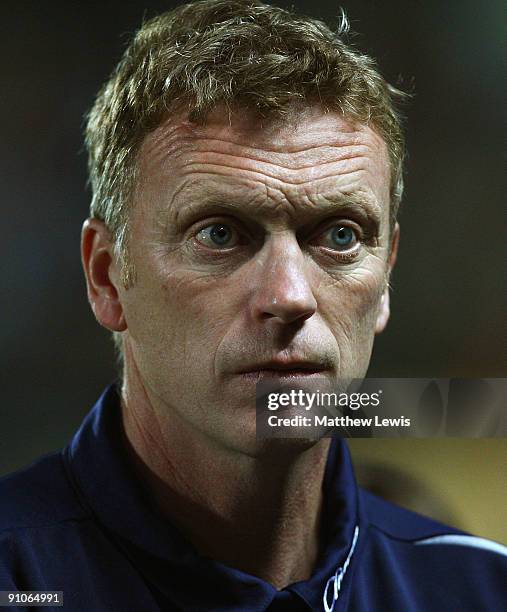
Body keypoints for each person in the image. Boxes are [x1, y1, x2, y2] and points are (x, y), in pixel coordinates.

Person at [0, 1, 505, 610]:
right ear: (107, 277)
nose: (290, 296)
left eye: (340, 234)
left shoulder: (478, 589)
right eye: (219, 233)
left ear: (386, 276)